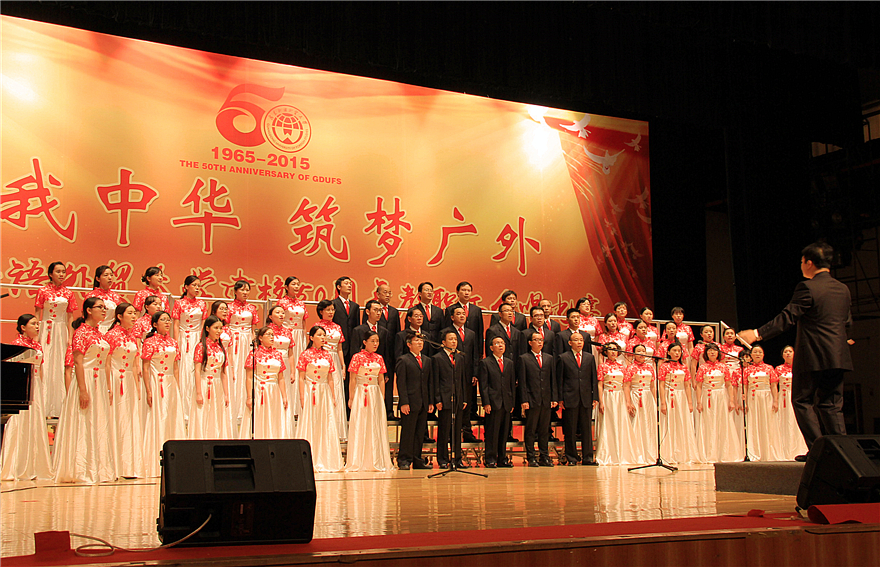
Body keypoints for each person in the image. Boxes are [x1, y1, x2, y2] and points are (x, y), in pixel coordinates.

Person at [739, 242, 853, 458]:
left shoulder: (807, 287)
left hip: (813, 355)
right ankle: (843, 455)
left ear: (809, 263)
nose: (801, 266)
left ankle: (819, 452)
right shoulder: (843, 289)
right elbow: (847, 322)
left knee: (802, 400)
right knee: (831, 404)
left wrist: (757, 333)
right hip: (838, 355)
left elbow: (787, 317)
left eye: (802, 262)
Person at [54, 297, 116, 483]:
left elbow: (105, 363)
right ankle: (81, 469)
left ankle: (99, 467)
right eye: (100, 307)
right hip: (86, 379)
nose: (104, 311)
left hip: (99, 381)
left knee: (99, 421)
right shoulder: (80, 333)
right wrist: (82, 389)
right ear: (89, 310)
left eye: (105, 308)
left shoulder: (100, 333)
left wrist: (108, 387)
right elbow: (78, 362)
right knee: (84, 420)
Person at [0, 314, 53, 481]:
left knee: (35, 423)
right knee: (20, 423)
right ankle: (14, 466)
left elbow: (40, 368)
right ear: (23, 327)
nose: (37, 327)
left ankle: (34, 465)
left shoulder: (37, 345)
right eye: (33, 324)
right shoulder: (17, 345)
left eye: (38, 324)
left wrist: (42, 388)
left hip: (36, 385)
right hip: (22, 385)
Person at [141, 310, 185, 477]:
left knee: (171, 417)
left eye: (168, 320)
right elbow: (145, 368)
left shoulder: (173, 342)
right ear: (154, 324)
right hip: (156, 382)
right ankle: (153, 460)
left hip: (170, 383)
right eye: (163, 320)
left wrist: (177, 387)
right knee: (158, 417)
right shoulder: (149, 342)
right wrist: (148, 389)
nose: (167, 322)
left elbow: (175, 367)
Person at [295, 326, 343, 473]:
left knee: (325, 421)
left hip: (324, 392)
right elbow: (301, 378)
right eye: (320, 335)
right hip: (310, 390)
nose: (323, 338)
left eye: (324, 335)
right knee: (311, 421)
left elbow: (330, 378)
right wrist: (302, 396)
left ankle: (326, 458)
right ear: (311, 337)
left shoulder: (327, 355)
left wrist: (333, 396)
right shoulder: (305, 354)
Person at [104, 303, 144, 478]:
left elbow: (135, 365)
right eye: (130, 313)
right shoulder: (111, 335)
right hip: (115, 378)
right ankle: (115, 464)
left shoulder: (133, 336)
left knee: (129, 419)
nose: (134, 316)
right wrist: (108, 386)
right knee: (116, 417)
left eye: (135, 313)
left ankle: (129, 465)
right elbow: (106, 363)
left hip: (128, 381)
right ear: (119, 316)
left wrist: (137, 386)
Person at [34, 261, 78, 418]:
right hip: (46, 328)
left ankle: (59, 406)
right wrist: (36, 333)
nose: (61, 274)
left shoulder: (68, 293)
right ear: (50, 274)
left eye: (63, 271)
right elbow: (37, 313)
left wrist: (70, 336)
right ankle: (43, 404)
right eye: (58, 271)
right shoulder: (42, 291)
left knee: (60, 363)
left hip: (61, 330)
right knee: (45, 362)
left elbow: (70, 316)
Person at [346, 331, 393, 472]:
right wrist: (351, 397)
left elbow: (381, 379)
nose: (375, 344)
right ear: (365, 342)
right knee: (361, 422)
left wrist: (382, 397)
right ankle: (358, 459)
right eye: (372, 341)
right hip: (361, 391)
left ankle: (376, 458)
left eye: (377, 341)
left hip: (375, 392)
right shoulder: (357, 357)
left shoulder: (379, 358)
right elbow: (352, 379)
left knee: (375, 423)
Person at [694, 344, 741, 462]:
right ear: (706, 353)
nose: (712, 353)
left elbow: (729, 385)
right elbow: (698, 386)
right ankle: (709, 453)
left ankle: (723, 453)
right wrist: (699, 402)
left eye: (714, 351)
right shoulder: (702, 367)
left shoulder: (723, 367)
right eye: (710, 351)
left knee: (722, 421)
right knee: (708, 422)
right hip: (708, 396)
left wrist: (731, 401)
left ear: (718, 353)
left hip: (721, 396)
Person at [557, 331, 598, 466]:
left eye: (581, 340)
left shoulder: (589, 357)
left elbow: (593, 378)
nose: (579, 342)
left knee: (586, 429)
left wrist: (595, 396)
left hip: (586, 397)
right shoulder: (563, 357)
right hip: (570, 397)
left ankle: (588, 457)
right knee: (570, 429)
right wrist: (560, 398)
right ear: (570, 343)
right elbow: (560, 379)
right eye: (576, 340)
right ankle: (572, 457)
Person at [240, 327, 289, 439]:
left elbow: (281, 378)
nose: (272, 337)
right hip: (260, 390)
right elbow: (249, 378)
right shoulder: (254, 354)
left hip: (274, 391)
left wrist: (284, 396)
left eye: (272, 335)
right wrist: (249, 397)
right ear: (261, 338)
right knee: (259, 417)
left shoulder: (277, 354)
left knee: (273, 418)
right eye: (268, 335)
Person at [518, 330, 558, 467]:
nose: (539, 342)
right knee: (530, 430)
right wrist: (524, 400)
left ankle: (544, 456)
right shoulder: (524, 358)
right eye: (536, 340)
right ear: (530, 343)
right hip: (531, 399)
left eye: (541, 340)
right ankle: (531, 457)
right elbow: (522, 381)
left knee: (544, 430)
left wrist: (554, 397)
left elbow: (553, 379)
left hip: (546, 399)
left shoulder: (549, 358)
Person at [189, 316, 233, 440]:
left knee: (217, 414)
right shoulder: (201, 346)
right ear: (207, 328)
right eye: (216, 328)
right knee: (203, 414)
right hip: (204, 383)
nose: (219, 331)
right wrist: (198, 393)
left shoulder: (221, 347)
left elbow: (223, 372)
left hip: (218, 385)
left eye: (220, 328)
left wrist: (226, 394)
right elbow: (197, 371)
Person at [395, 333, 433, 470]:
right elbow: (401, 383)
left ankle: (417, 460)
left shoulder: (427, 360)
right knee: (408, 432)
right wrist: (404, 402)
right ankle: (404, 459)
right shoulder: (403, 360)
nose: (420, 343)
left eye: (421, 340)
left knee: (419, 433)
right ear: (409, 344)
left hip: (423, 402)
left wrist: (430, 401)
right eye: (416, 341)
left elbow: (429, 382)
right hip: (410, 402)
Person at [658, 342, 701, 464]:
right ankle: (669, 453)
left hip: (681, 396)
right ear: (668, 352)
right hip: (669, 395)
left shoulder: (684, 367)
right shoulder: (664, 366)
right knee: (670, 423)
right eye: (674, 351)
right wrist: (663, 402)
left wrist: (690, 402)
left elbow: (687, 385)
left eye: (679, 351)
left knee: (682, 422)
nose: (677, 353)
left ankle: (683, 453)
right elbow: (661, 385)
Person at [171, 275, 207, 422]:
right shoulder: (179, 303)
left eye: (199, 285)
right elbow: (175, 324)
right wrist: (176, 343)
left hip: (197, 338)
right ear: (186, 287)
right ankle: (182, 409)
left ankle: (195, 407)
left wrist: (202, 342)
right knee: (184, 369)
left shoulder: (202, 304)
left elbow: (203, 324)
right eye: (194, 285)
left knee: (196, 369)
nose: (197, 288)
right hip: (183, 338)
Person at [595, 343, 637, 465]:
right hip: (608, 396)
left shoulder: (622, 367)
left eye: (615, 350)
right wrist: (601, 401)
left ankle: (622, 453)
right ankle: (608, 453)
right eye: (610, 350)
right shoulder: (602, 366)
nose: (613, 352)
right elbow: (600, 385)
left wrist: (628, 402)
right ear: (606, 352)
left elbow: (626, 386)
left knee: (620, 422)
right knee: (609, 423)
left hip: (620, 397)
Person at [478, 336, 515, 468]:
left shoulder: (509, 363)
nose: (500, 345)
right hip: (493, 403)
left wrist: (512, 403)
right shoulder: (485, 363)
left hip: (506, 403)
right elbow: (484, 385)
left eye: (502, 343)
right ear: (491, 347)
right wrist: (486, 403)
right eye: (497, 343)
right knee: (492, 432)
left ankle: (502, 458)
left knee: (504, 433)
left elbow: (512, 384)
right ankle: (490, 458)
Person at [444, 306, 480, 442]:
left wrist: (475, 373)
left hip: (468, 373)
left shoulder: (471, 333)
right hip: (452, 373)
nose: (462, 316)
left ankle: (467, 432)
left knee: (467, 403)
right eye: (458, 314)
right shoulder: (447, 332)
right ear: (452, 317)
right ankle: (450, 433)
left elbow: (475, 354)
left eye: (463, 313)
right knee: (453, 404)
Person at [740, 344, 782, 461]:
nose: (757, 354)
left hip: (766, 396)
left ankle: (768, 451)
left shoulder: (769, 368)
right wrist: (745, 402)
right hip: (753, 398)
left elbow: (773, 386)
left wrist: (775, 401)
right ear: (751, 355)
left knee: (767, 422)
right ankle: (754, 451)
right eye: (755, 352)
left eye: (760, 352)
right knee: (754, 422)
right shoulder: (747, 370)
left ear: (763, 354)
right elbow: (745, 387)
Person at [433, 330, 468, 469]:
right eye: (451, 339)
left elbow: (462, 379)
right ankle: (442, 459)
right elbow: (436, 381)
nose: (454, 341)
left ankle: (457, 459)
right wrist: (437, 399)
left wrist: (464, 398)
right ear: (443, 342)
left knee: (457, 430)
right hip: (444, 399)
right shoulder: (437, 358)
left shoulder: (459, 357)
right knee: (444, 430)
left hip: (458, 399)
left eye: (455, 339)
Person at [315, 299, 348, 441]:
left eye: (332, 310)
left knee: (337, 391)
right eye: (327, 310)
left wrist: (342, 365)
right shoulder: (317, 326)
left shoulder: (337, 327)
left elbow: (339, 348)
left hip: (335, 359)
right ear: (321, 311)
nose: (331, 312)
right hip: (322, 359)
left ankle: (338, 430)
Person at [228, 280, 259, 425]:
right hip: (233, 339)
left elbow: (254, 328)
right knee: (234, 370)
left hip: (247, 340)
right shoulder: (229, 307)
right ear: (235, 291)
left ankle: (244, 406)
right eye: (242, 290)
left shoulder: (252, 308)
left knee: (246, 371)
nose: (245, 292)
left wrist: (254, 342)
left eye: (247, 290)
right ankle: (232, 407)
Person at [277, 276, 309, 417]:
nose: (296, 287)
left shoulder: (301, 303)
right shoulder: (281, 302)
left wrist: (305, 338)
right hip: (286, 335)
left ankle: (298, 406)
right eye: (293, 284)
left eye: (298, 284)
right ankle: (286, 403)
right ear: (286, 287)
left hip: (299, 336)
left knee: (299, 368)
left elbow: (304, 322)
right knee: (288, 367)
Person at [623, 344, 657, 465]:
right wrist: (628, 402)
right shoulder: (630, 368)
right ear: (633, 354)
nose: (641, 353)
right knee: (636, 422)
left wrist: (654, 401)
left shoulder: (650, 368)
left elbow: (652, 386)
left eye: (643, 351)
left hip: (648, 397)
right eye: (639, 351)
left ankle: (650, 452)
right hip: (636, 395)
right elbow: (626, 386)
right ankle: (636, 453)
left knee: (648, 423)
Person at [775, 346, 808, 459]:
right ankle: (784, 449)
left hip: (797, 395)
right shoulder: (778, 369)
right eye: (786, 352)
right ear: (782, 355)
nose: (788, 353)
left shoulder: (799, 368)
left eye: (790, 351)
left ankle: (800, 448)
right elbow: (774, 385)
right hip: (783, 397)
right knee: (784, 421)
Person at [266, 305, 295, 428]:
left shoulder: (288, 331)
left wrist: (292, 371)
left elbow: (291, 353)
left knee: (285, 390)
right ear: (270, 316)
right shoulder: (267, 331)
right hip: (271, 363)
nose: (281, 315)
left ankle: (285, 423)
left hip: (285, 364)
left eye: (283, 313)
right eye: (278, 312)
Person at [84, 265, 124, 333]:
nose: (110, 278)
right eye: (106, 275)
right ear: (98, 279)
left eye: (111, 275)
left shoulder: (115, 296)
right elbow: (86, 316)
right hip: (96, 329)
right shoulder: (91, 295)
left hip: (112, 330)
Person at [331, 276, 360, 370]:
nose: (349, 286)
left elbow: (356, 326)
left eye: (350, 284)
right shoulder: (333, 304)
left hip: (351, 344)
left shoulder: (355, 306)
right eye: (346, 283)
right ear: (339, 287)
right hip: (338, 343)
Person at [414, 281, 444, 353]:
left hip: (436, 347)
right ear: (419, 293)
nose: (429, 292)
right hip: (420, 346)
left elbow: (443, 329)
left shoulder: (439, 311)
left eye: (431, 290)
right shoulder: (414, 310)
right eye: (427, 290)